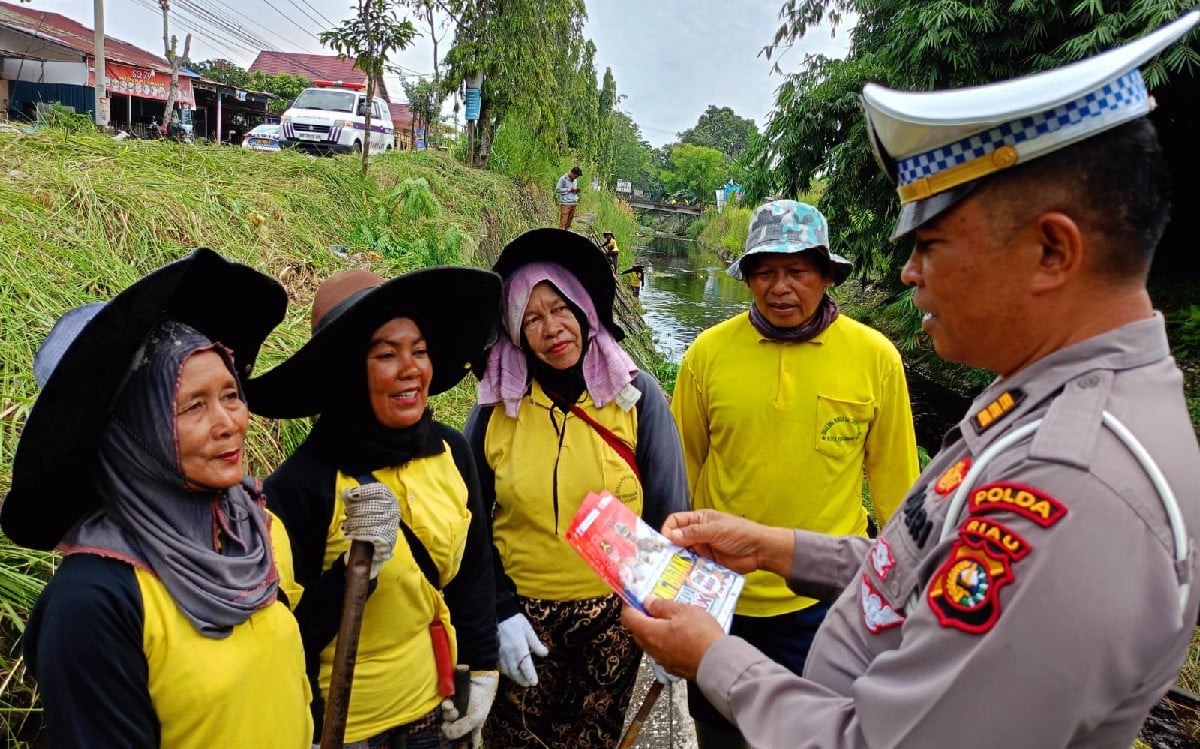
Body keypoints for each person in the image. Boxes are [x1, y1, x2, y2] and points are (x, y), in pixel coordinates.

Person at [622, 12, 1200, 748]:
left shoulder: (1071, 480)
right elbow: (920, 558)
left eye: (930, 242)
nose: (909, 272)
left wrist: (713, 657)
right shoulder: (1035, 403)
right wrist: (772, 546)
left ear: (1053, 250)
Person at [3, 248, 313, 748]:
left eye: (231, 395)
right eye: (192, 406)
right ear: (133, 434)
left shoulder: (250, 532)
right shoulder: (94, 604)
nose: (228, 423)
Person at [669, 198, 920, 747]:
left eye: (798, 271)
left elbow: (898, 489)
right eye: (765, 272)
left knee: (816, 732)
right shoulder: (707, 355)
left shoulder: (875, 358)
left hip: (825, 600)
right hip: (720, 594)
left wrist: (909, 599)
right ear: (748, 278)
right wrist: (669, 578)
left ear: (827, 275)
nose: (780, 287)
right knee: (718, 731)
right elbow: (679, 469)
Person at [246, 265, 503, 748]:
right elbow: (283, 637)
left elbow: (472, 572)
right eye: (386, 354)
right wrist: (353, 572)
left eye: (420, 351)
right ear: (349, 371)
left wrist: (483, 667)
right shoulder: (303, 486)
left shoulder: (450, 451)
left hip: (436, 711)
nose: (411, 369)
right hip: (345, 729)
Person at [464, 227, 688, 748]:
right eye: (532, 316)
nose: (552, 328)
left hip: (613, 619)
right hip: (523, 617)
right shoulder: (497, 406)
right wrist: (497, 612)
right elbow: (468, 517)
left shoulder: (637, 396)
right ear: (514, 331)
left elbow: (669, 512)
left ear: (584, 307)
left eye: (561, 307)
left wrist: (670, 624)